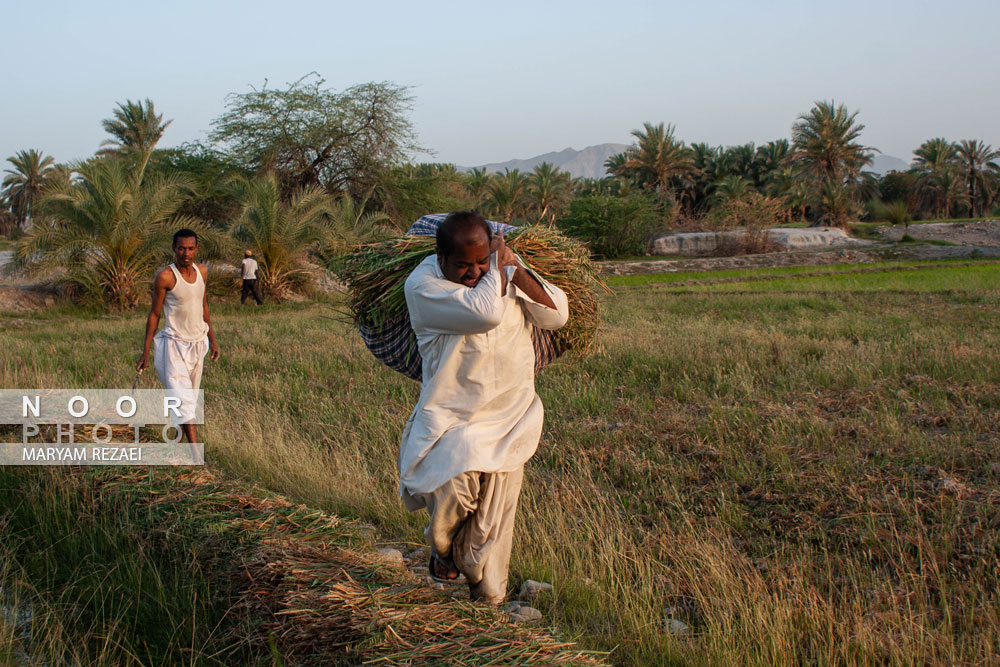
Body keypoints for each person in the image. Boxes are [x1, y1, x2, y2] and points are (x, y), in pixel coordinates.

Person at [399, 211, 569, 604]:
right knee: (453, 496)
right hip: (455, 418)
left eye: (480, 261)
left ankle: (487, 606)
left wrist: (517, 270)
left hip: (512, 412)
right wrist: (497, 267)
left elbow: (557, 314)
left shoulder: (503, 266)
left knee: (492, 531)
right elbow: (485, 312)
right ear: (440, 256)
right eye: (463, 264)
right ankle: (441, 549)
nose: (474, 271)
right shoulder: (422, 285)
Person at [136, 229, 220, 444]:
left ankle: (179, 438)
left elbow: (203, 306)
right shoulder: (166, 277)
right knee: (183, 400)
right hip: (174, 346)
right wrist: (146, 351)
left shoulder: (202, 272)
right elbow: (154, 314)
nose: (186, 253)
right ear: (174, 249)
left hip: (197, 344)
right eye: (181, 248)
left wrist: (212, 339)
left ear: (196, 249)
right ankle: (195, 455)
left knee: (187, 400)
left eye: (191, 248)